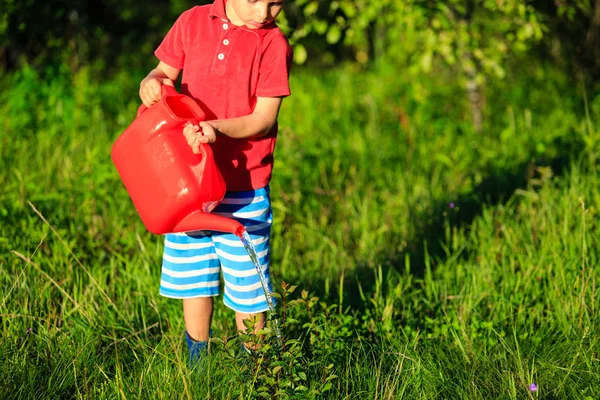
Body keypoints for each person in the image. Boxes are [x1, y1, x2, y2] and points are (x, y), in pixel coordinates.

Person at [138, 0, 292, 366]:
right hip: (187, 181)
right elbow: (163, 73)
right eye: (256, 0)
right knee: (194, 275)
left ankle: (257, 369)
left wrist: (216, 130)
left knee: (248, 287)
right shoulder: (192, 21)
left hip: (243, 186)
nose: (265, 13)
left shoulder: (273, 44)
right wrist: (151, 82)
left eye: (277, 3)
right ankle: (199, 362)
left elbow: (264, 119)